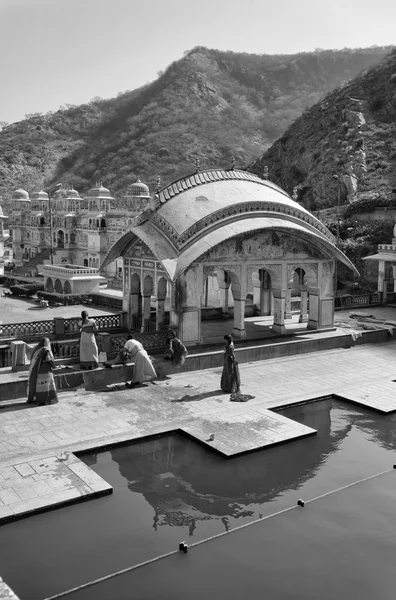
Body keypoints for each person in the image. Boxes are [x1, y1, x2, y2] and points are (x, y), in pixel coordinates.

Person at [27, 337, 58, 405]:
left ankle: (39, 399)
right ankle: (45, 399)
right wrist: (52, 363)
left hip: (39, 371)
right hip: (46, 370)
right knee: (46, 386)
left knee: (40, 386)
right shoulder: (46, 349)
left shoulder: (37, 349)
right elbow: (48, 359)